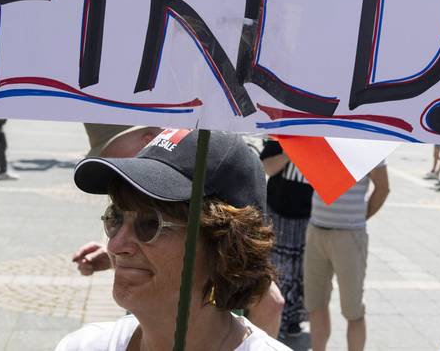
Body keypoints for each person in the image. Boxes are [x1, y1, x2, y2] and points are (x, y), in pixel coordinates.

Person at [56, 129, 290, 350]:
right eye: (115, 218)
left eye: (150, 224)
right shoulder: (83, 345)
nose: (115, 246)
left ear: (225, 247)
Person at [305, 162, 388, 351]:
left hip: (349, 235)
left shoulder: (371, 144)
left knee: (353, 310)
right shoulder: (322, 137)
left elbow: (383, 188)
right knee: (315, 304)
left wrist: (359, 217)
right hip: (316, 228)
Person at [259, 138, 314, 340]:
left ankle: (293, 319)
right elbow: (266, 167)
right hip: (278, 213)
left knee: (301, 273)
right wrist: (293, 151)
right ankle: (274, 317)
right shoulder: (285, 134)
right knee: (277, 270)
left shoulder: (325, 141)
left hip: (308, 217)